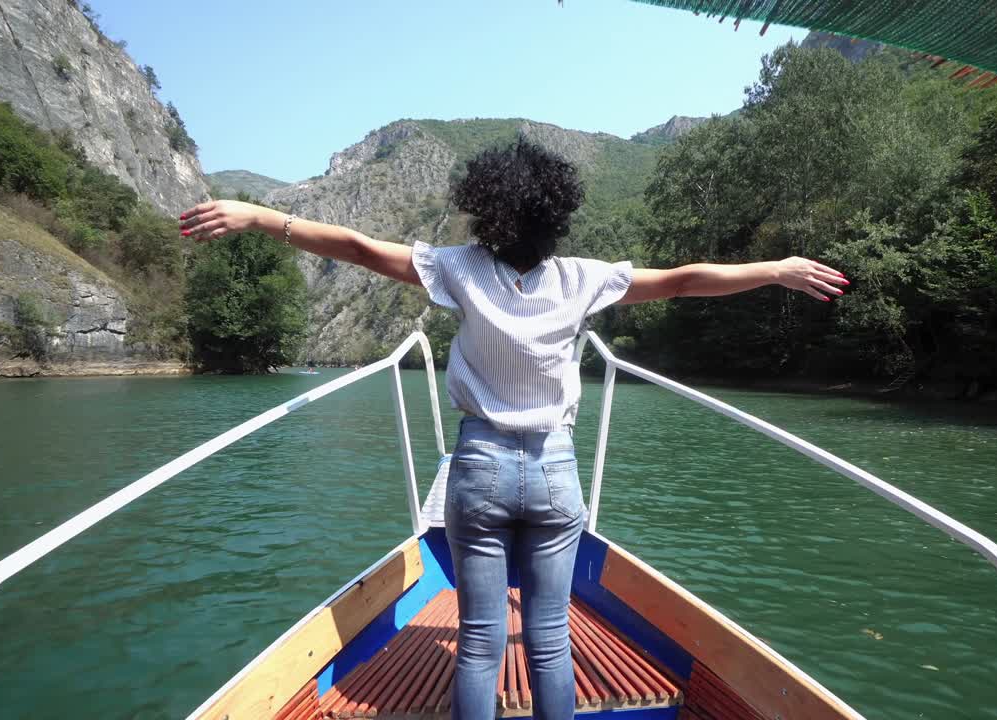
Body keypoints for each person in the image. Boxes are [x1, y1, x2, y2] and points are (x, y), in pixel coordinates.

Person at [179, 137, 847, 720]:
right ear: (558, 215)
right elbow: (682, 281)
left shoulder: (457, 268)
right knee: (551, 637)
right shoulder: (585, 279)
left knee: (479, 640)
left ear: (488, 211)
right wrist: (777, 271)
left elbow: (354, 246)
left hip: (479, 470)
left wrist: (258, 216)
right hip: (554, 472)